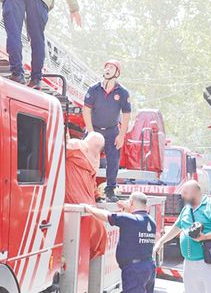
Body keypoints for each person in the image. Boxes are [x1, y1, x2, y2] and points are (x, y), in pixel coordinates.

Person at [153, 181, 211, 293]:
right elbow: (177, 227)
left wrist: (205, 237)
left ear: (194, 193)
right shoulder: (186, 209)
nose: (182, 196)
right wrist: (160, 242)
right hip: (189, 262)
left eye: (185, 192)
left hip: (208, 261)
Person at [84, 192, 156, 293]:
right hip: (148, 266)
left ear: (131, 202)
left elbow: (107, 216)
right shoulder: (151, 221)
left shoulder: (131, 220)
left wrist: (88, 208)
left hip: (135, 270)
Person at [83, 60, 131, 202]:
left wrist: (121, 135)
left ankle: (110, 190)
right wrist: (91, 133)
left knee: (113, 160)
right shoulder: (94, 89)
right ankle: (88, 188)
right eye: (106, 67)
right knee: (85, 158)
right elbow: (86, 110)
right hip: (94, 128)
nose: (108, 69)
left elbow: (126, 114)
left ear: (117, 73)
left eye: (112, 68)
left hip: (112, 131)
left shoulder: (122, 92)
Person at [65, 133, 107, 259]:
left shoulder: (75, 150)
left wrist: (97, 195)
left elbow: (92, 183)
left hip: (80, 204)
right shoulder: (75, 150)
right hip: (80, 204)